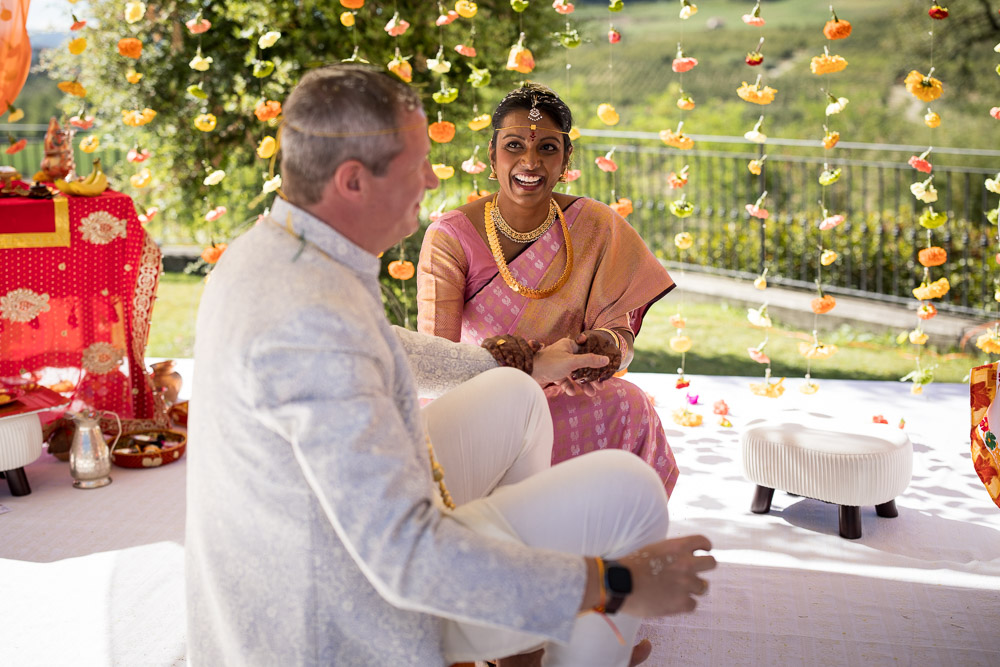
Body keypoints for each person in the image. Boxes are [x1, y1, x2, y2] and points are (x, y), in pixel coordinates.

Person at [186, 64, 715, 667]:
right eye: (417, 165)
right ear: (354, 181)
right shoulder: (309, 319)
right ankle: (537, 634)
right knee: (632, 500)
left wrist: (529, 364)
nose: (434, 179)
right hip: (335, 617)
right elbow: (405, 557)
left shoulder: (284, 249)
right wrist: (612, 584)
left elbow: (392, 348)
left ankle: (520, 648)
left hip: (331, 550)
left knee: (515, 396)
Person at [417, 82, 680, 496]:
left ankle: (606, 539)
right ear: (492, 153)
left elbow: (622, 338)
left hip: (567, 396)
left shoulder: (595, 226)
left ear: (566, 158)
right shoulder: (451, 236)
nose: (530, 162)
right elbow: (436, 365)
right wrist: (521, 365)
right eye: (514, 146)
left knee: (629, 403)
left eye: (546, 149)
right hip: (486, 401)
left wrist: (603, 348)